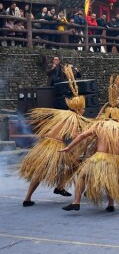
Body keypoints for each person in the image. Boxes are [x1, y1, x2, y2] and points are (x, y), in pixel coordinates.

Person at [19, 65, 91, 206]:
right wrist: (86, 136)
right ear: (79, 109)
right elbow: (75, 135)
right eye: (83, 108)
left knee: (39, 172)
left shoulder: (61, 114)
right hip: (55, 147)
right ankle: (60, 186)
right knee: (76, 164)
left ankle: (27, 198)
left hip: (45, 144)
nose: (84, 111)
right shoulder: (74, 118)